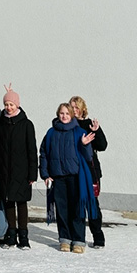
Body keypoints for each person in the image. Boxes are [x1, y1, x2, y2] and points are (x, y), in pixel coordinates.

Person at [39, 102, 97, 254]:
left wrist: (84, 145)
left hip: (75, 176)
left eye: (67, 113)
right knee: (62, 210)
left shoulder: (79, 132)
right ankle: (65, 239)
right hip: (58, 177)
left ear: (71, 115)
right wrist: (45, 174)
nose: (64, 116)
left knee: (77, 209)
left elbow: (88, 156)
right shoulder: (51, 133)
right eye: (61, 113)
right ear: (58, 114)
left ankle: (78, 240)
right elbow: (44, 153)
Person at [0, 84, 37, 249]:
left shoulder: (26, 124)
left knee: (21, 203)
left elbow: (32, 150)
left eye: (11, 104)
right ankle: (11, 234)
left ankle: (23, 235)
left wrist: (32, 173)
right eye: (6, 104)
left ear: (17, 105)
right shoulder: (0, 123)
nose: (9, 107)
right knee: (8, 202)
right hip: (4, 170)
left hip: (21, 171)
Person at [69, 95, 107, 248]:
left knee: (92, 204)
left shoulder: (89, 124)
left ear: (82, 109)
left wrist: (97, 131)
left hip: (90, 171)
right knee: (75, 205)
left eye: (77, 107)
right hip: (74, 170)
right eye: (72, 107)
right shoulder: (67, 124)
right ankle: (77, 237)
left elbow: (102, 146)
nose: (74, 110)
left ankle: (98, 236)